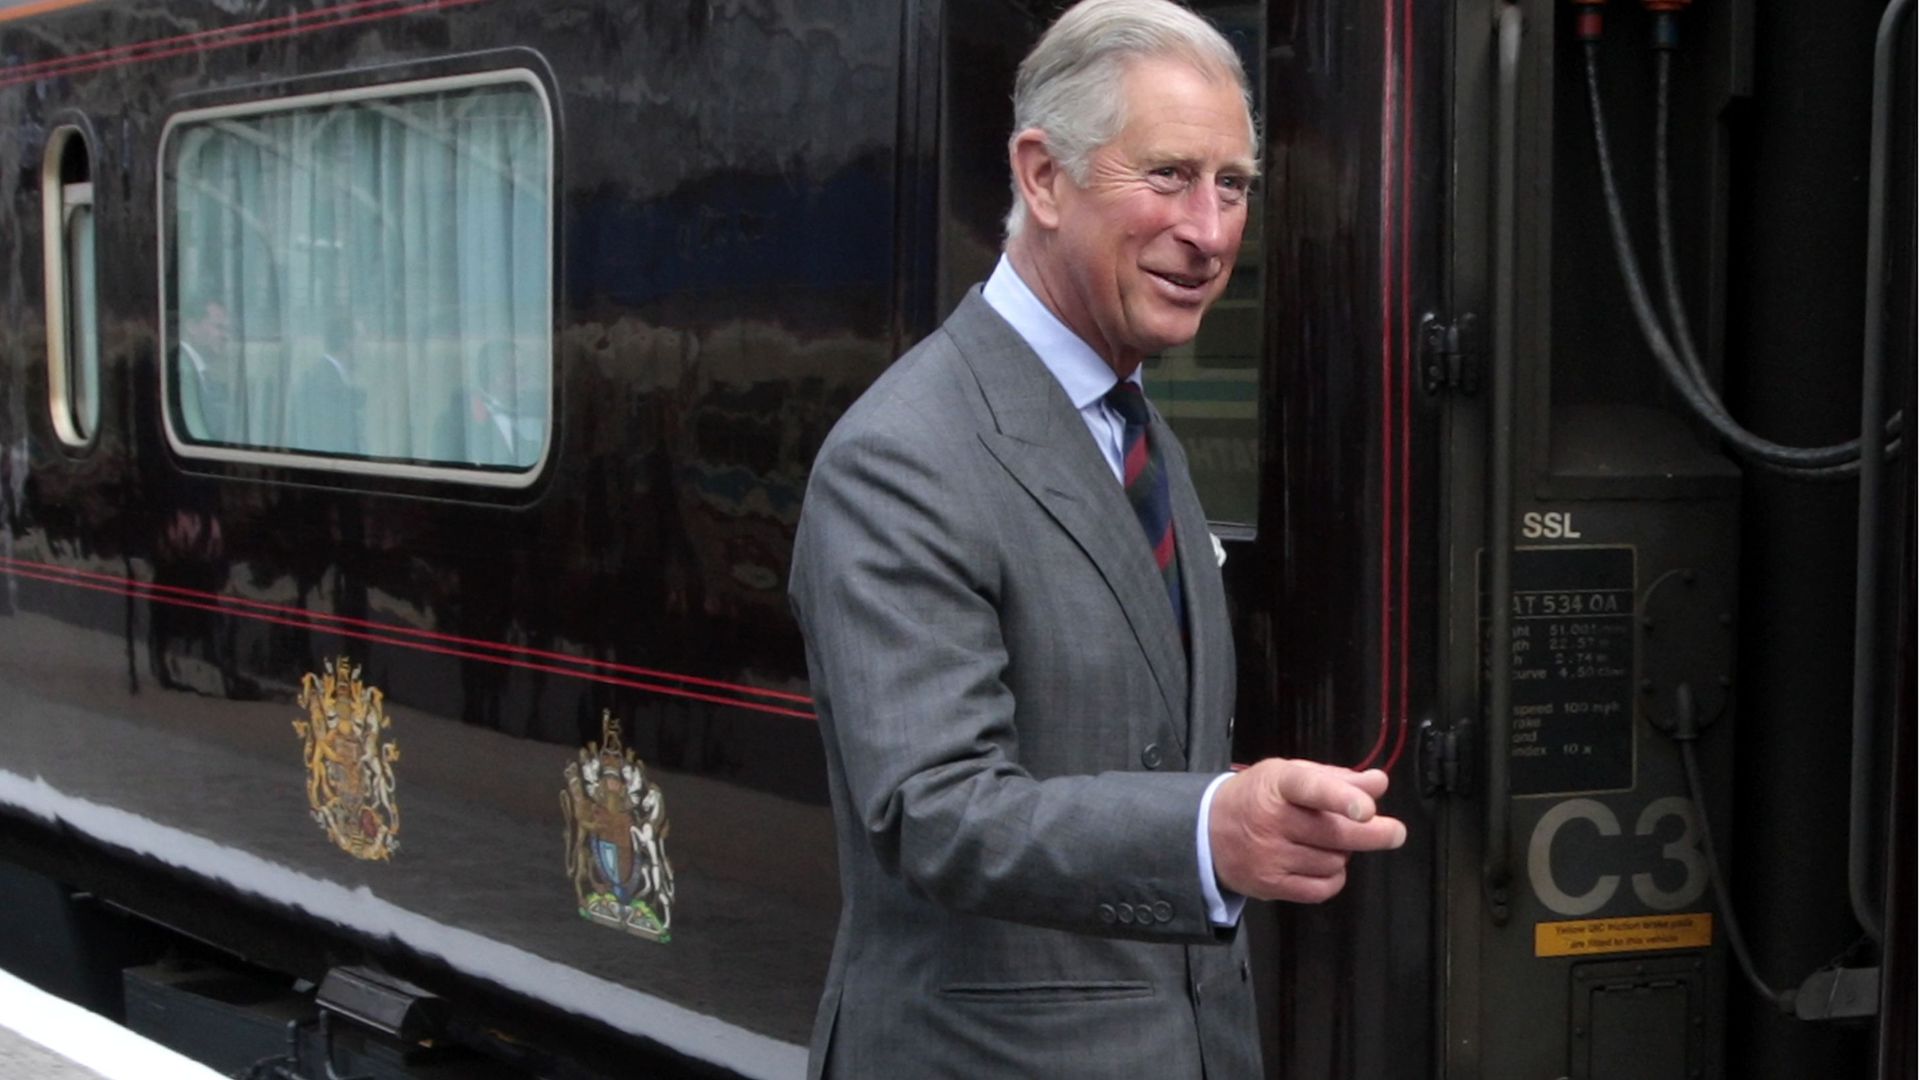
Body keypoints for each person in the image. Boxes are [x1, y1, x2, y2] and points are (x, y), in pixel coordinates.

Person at [786, 1, 1407, 1076]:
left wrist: (1251, 807)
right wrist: (1208, 831)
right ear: (1041, 177)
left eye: (1233, 185)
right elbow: (936, 810)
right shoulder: (903, 455)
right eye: (1166, 176)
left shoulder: (1136, 429)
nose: (1210, 232)